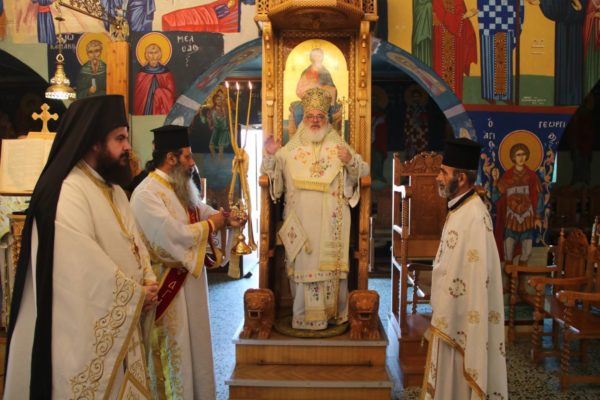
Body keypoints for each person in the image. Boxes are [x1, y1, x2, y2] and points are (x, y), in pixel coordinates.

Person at [4, 95, 159, 398]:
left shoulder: (114, 190)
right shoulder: (69, 191)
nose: (128, 146)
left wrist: (148, 279)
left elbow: (135, 244)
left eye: (126, 137)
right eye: (119, 138)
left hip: (127, 327)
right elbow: (81, 270)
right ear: (94, 143)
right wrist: (135, 295)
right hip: (84, 335)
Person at [130, 124, 243, 399]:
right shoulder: (146, 194)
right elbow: (172, 236)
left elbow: (198, 210)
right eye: (188, 156)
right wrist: (212, 226)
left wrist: (224, 218)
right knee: (176, 350)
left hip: (191, 283)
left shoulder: (177, 185)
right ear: (171, 158)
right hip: (168, 286)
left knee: (196, 344)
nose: (192, 163)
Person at [261, 87, 369, 330]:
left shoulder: (338, 144)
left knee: (328, 266)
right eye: (310, 116)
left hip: (332, 220)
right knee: (304, 263)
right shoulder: (290, 150)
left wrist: (350, 160)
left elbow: (363, 170)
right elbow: (272, 176)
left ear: (327, 118)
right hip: (301, 220)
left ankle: (333, 314)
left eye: (320, 116)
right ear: (304, 119)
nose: (315, 121)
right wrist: (270, 155)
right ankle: (303, 316)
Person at [422, 137, 507, 399]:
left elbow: (476, 277)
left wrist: (449, 312)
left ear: (460, 179)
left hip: (462, 322)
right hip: (450, 316)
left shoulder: (474, 217)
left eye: (443, 172)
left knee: (457, 378)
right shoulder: (460, 209)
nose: (437, 177)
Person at [492, 142, 543, 265]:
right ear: (513, 157)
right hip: (511, 217)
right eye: (518, 155)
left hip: (527, 216)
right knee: (509, 242)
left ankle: (522, 270)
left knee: (527, 244)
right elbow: (495, 197)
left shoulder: (531, 176)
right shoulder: (507, 176)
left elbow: (538, 196)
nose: (521, 157)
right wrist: (496, 183)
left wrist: (537, 217)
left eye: (523, 154)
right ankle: (509, 268)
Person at [432, 0, 477, 100]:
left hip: (457, 41)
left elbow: (461, 12)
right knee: (441, 72)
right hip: (441, 38)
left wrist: (465, 17)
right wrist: (464, 16)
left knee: (456, 73)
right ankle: (441, 101)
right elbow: (443, 16)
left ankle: (456, 101)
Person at [133, 43, 176, 115]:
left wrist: (160, 93)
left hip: (161, 110)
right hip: (145, 112)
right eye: (150, 53)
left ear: (160, 55)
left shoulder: (166, 73)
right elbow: (139, 98)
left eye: (155, 53)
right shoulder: (141, 74)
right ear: (146, 55)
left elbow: (171, 94)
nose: (153, 56)